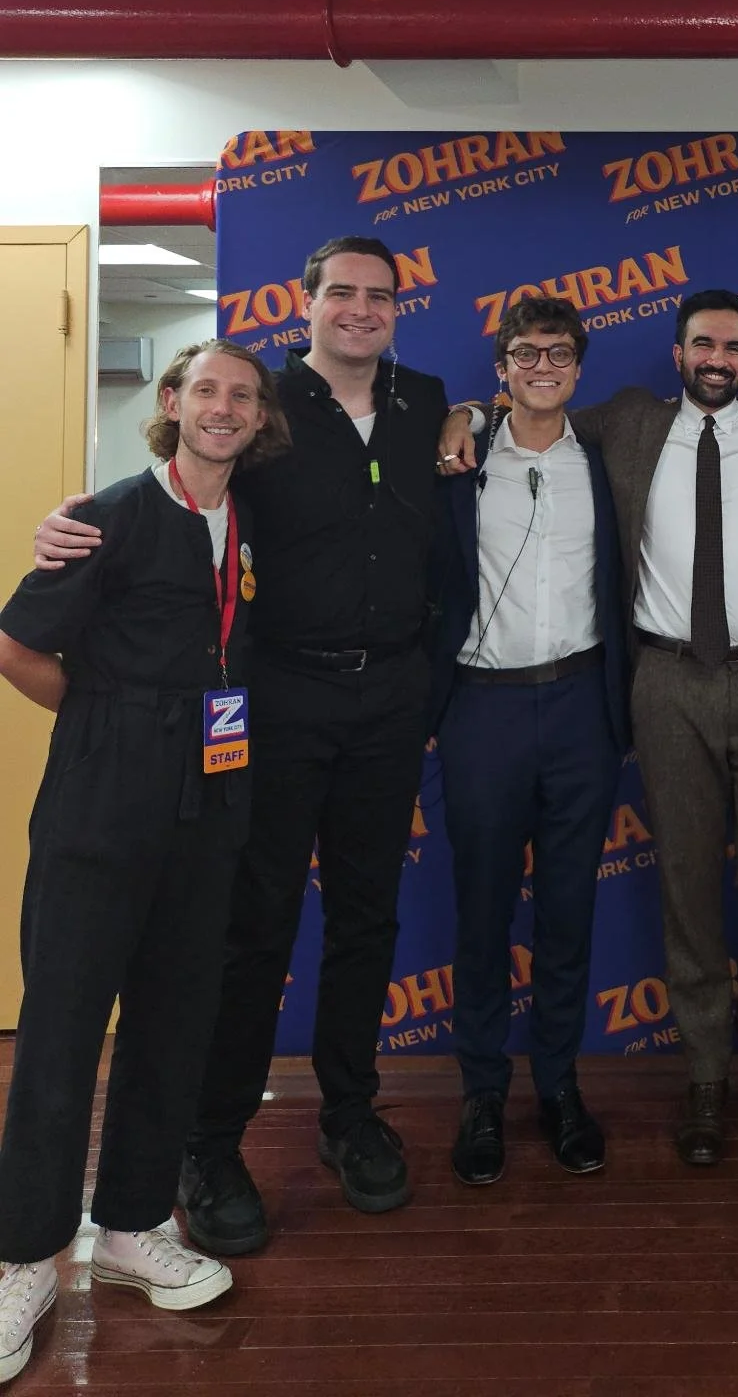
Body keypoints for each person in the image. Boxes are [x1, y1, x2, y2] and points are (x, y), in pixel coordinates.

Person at [34, 236, 449, 1251]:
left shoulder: (427, 400)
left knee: (366, 919)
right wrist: (77, 520)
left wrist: (470, 418)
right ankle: (211, 1141)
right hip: (278, 700)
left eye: (379, 295)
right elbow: (189, 482)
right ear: (307, 304)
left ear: (399, 308)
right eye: (341, 292)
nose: (361, 309)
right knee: (253, 925)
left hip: (392, 699)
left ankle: (350, 1115)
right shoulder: (265, 405)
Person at [443, 288, 738, 1164]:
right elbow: (523, 407)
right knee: (686, 887)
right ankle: (703, 1076)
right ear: (677, 351)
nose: (717, 360)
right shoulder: (622, 424)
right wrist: (462, 411)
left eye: (734, 347)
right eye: (703, 344)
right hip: (661, 681)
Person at [0, 342, 287, 1386]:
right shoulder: (109, 514)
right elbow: (16, 643)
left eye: (242, 395)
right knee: (64, 1023)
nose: (224, 407)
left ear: (259, 418)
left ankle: (128, 1225)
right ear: (172, 403)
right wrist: (100, 721)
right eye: (206, 389)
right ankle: (24, 1254)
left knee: (172, 1020)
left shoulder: (251, 523)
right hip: (103, 798)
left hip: (209, 801)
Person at [430, 297, 628, 1185]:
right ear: (501, 367)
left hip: (583, 704)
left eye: (557, 353)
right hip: (482, 709)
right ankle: (481, 1093)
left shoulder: (608, 459)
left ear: (578, 367)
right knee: (481, 910)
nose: (542, 366)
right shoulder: (456, 460)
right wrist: (464, 415)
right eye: (524, 353)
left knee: (568, 909)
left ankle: (558, 1086)